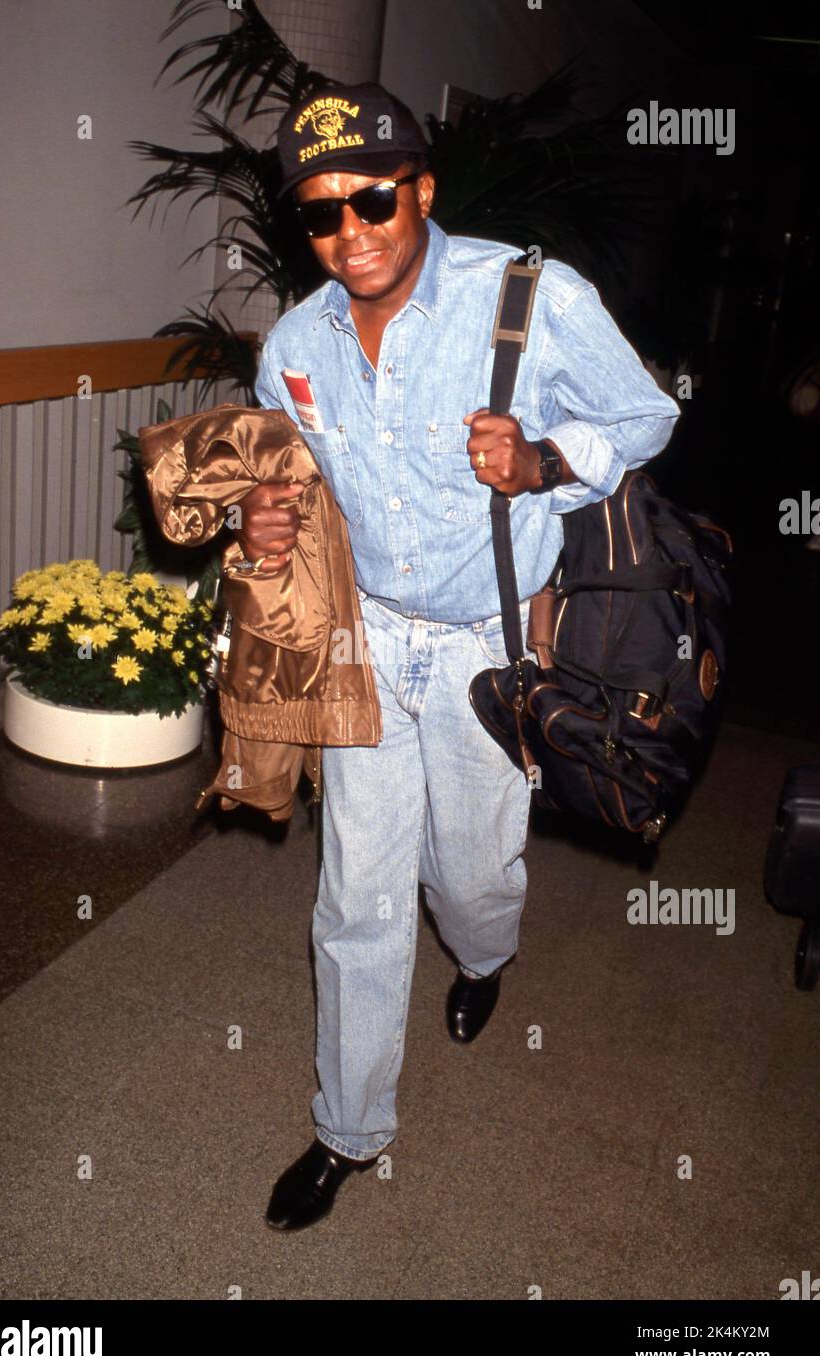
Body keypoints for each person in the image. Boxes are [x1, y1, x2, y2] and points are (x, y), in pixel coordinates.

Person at [241, 81, 680, 1232]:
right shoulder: (295, 343)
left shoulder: (526, 298)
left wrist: (541, 460)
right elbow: (292, 478)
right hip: (371, 641)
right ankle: (348, 1129)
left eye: (373, 201)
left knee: (471, 878)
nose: (351, 234)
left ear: (421, 190)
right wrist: (270, 514)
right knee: (357, 897)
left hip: (494, 639)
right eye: (321, 215)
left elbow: (645, 417)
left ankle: (483, 957)